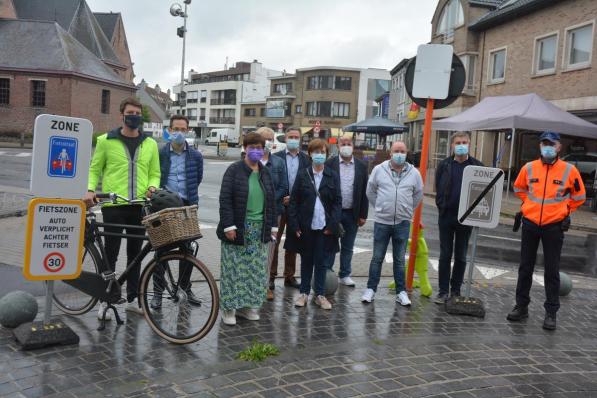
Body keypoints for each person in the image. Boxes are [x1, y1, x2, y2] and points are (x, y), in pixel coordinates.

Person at [85, 97, 161, 319]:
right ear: (122, 115)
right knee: (111, 254)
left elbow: (155, 172)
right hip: (113, 205)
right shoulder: (106, 140)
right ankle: (104, 299)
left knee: (135, 254)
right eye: (130, 112)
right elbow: (94, 169)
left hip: (139, 206)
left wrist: (153, 187)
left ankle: (132, 298)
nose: (134, 116)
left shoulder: (150, 144)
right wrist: (90, 190)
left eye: (138, 113)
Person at [507, 131, 585, 331]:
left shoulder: (569, 170)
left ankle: (551, 313)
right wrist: (528, 206)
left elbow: (579, 196)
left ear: (559, 147)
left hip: (554, 226)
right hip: (531, 223)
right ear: (540, 146)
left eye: (551, 144)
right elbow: (519, 188)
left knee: (552, 270)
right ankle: (521, 307)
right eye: (544, 144)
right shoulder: (529, 168)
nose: (547, 147)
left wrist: (566, 210)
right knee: (525, 267)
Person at [217, 132, 276, 326]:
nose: (256, 151)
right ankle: (229, 309)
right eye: (252, 147)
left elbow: (271, 202)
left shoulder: (265, 172)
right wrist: (229, 225)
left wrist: (272, 227)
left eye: (259, 147)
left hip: (259, 229)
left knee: (255, 271)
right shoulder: (234, 170)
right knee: (234, 271)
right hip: (238, 228)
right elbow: (225, 199)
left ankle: (247, 307)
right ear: (245, 148)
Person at [150, 114, 204, 309]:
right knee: (160, 250)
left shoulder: (196, 156)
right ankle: (157, 292)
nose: (179, 133)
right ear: (169, 131)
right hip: (163, 207)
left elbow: (197, 179)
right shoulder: (161, 153)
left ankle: (185, 288)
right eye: (176, 129)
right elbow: (155, 175)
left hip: (186, 207)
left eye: (183, 129)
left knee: (188, 250)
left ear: (188, 131)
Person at [361, 141, 423, 306]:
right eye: (396, 150)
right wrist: (380, 207)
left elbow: (418, 193)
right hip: (382, 222)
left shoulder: (414, 173)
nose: (399, 154)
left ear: (406, 152)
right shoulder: (379, 170)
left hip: (402, 223)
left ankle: (401, 292)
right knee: (377, 258)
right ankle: (370, 289)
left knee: (400, 260)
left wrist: (408, 210)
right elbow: (370, 191)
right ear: (390, 153)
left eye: (402, 151)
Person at [288, 139, 341, 310]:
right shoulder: (303, 174)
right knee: (306, 261)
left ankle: (320, 294)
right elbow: (294, 201)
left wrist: (332, 226)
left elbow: (337, 203)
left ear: (326, 154)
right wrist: (295, 225)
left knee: (322, 262)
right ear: (310, 154)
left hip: (325, 228)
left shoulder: (332, 175)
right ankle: (304, 293)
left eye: (322, 152)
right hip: (306, 227)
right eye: (316, 152)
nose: (319, 155)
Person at [434, 132, 483, 304]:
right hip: (446, 216)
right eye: (458, 142)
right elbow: (438, 188)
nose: (461, 145)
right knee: (445, 255)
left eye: (464, 142)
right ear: (452, 145)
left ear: (469, 144)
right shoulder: (444, 165)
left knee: (461, 256)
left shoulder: (477, 166)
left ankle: (456, 290)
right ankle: (442, 292)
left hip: (466, 219)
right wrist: (442, 205)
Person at [324, 134, 368, 286]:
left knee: (348, 246)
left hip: (352, 213)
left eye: (349, 143)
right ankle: (327, 272)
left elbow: (364, 192)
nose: (346, 146)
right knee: (330, 245)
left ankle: (345, 274)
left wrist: (363, 214)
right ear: (338, 146)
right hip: (333, 213)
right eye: (343, 143)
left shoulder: (362, 166)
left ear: (353, 146)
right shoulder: (329, 164)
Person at [271, 127, 311, 290]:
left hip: (298, 207)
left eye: (296, 137)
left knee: (293, 242)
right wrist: (282, 197)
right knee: (274, 242)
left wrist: (295, 198)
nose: (293, 139)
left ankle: (290, 276)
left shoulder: (306, 159)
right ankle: (271, 275)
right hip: (280, 205)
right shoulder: (276, 158)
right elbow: (273, 182)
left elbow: (308, 183)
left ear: (300, 139)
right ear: (285, 139)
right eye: (290, 137)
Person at [256, 127, 289, 301]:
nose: (268, 141)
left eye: (271, 138)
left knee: (270, 250)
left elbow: (284, 187)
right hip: (252, 213)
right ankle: (252, 284)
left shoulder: (278, 163)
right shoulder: (251, 161)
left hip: (273, 212)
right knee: (253, 248)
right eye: (264, 138)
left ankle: (266, 284)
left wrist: (268, 199)